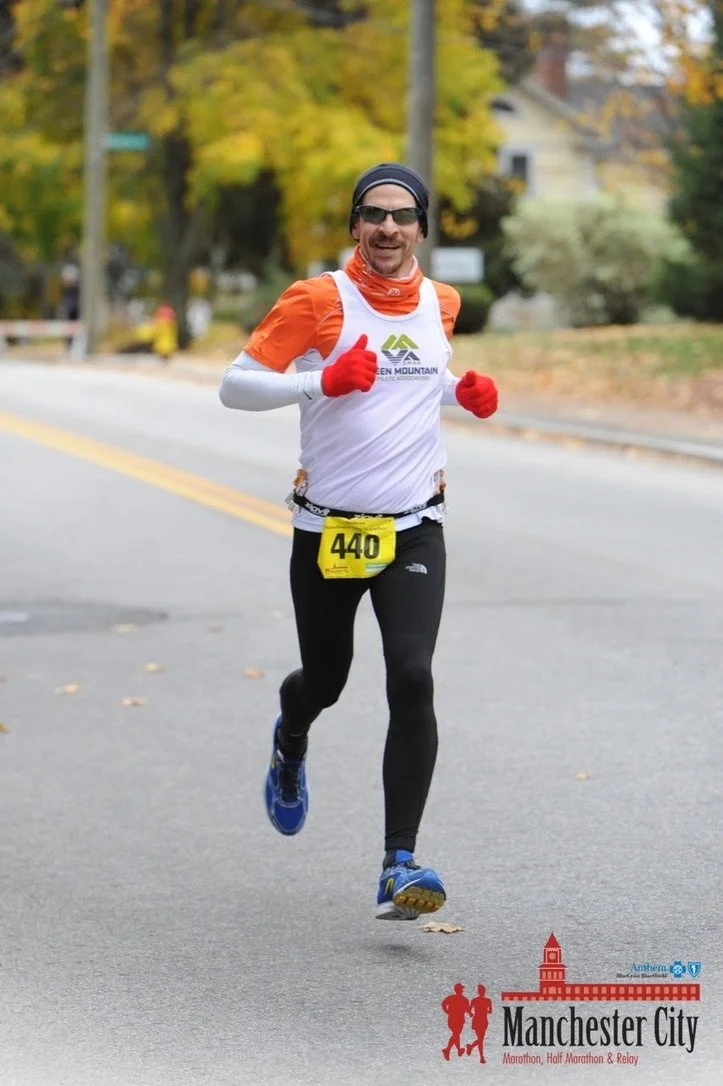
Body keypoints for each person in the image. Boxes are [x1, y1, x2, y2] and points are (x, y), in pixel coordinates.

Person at [219, 163, 498, 919]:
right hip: (329, 527)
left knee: (411, 676)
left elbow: (417, 377)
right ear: (354, 225)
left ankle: (398, 861)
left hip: (414, 521)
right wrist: (319, 383)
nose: (387, 229)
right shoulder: (315, 300)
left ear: (420, 228)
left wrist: (460, 392)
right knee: (327, 678)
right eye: (373, 215)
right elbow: (235, 386)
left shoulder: (440, 303)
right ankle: (292, 729)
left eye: (402, 217)